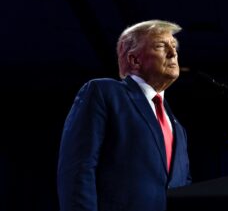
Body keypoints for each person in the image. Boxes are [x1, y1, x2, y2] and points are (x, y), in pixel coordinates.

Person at [57, 20, 192, 211]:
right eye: (161, 46)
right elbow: (78, 169)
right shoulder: (104, 93)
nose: (173, 53)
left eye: (174, 46)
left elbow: (183, 187)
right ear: (134, 60)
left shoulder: (177, 127)